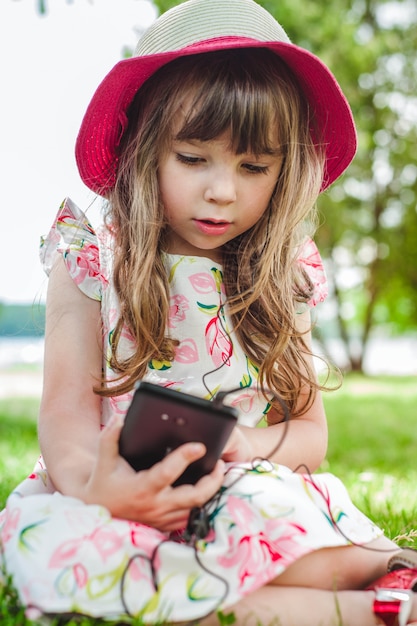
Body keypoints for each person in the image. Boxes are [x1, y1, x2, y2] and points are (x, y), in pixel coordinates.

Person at [1, 0, 417, 624]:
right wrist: (99, 487)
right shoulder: (90, 257)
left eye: (254, 167)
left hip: (243, 490)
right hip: (108, 491)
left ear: (285, 171)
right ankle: (375, 606)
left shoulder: (281, 273)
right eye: (193, 158)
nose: (222, 190)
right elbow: (65, 422)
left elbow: (309, 434)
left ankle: (359, 580)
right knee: (63, 556)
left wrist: (244, 447)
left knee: (256, 525)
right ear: (145, 149)